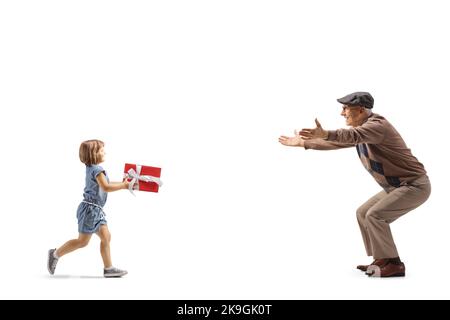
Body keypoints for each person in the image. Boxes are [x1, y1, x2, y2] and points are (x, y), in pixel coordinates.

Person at [278, 92, 431, 277]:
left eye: (345, 109)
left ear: (360, 110)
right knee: (362, 213)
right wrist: (304, 143)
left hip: (414, 185)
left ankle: (395, 264)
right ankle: (382, 259)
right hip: (396, 187)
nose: (342, 113)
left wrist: (326, 133)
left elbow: (349, 136)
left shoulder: (377, 126)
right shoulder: (365, 131)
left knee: (375, 215)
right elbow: (337, 142)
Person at [47, 139, 130, 278]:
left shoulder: (93, 168)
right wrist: (124, 186)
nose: (104, 152)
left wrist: (123, 183)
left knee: (106, 236)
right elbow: (106, 187)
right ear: (93, 154)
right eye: (101, 150)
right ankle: (54, 254)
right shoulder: (97, 170)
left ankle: (108, 268)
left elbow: (107, 184)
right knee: (82, 242)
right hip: (90, 211)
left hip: (96, 210)